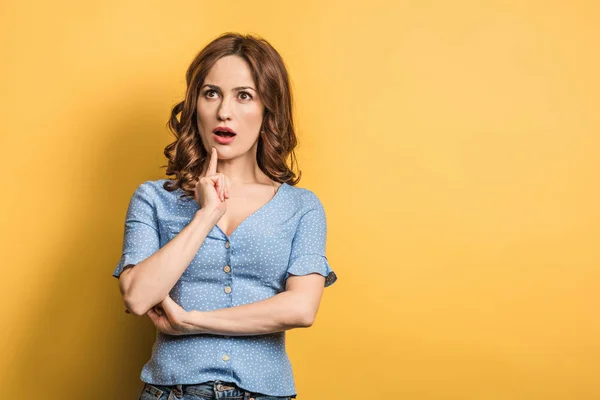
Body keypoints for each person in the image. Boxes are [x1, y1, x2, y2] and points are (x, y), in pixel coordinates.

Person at [112, 32, 338, 400]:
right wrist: (205, 216)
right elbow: (137, 296)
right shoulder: (154, 199)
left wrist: (192, 321)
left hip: (265, 392)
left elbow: (301, 307)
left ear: (268, 110)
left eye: (243, 95)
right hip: (172, 391)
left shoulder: (302, 206)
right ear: (195, 104)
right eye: (211, 93)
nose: (224, 111)